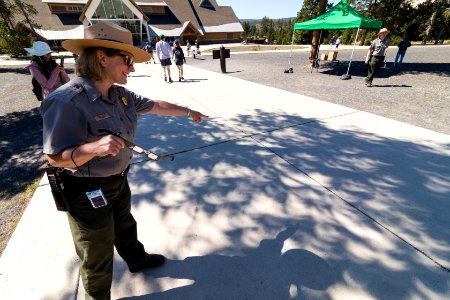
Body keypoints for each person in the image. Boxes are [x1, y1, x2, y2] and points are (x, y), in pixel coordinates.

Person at [42, 21, 208, 300]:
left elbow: (155, 105)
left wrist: (188, 111)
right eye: (127, 60)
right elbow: (55, 157)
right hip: (85, 191)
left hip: (118, 179)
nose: (131, 68)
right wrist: (93, 148)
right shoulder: (66, 101)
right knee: (96, 251)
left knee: (125, 225)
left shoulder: (120, 95)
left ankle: (136, 260)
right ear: (102, 58)